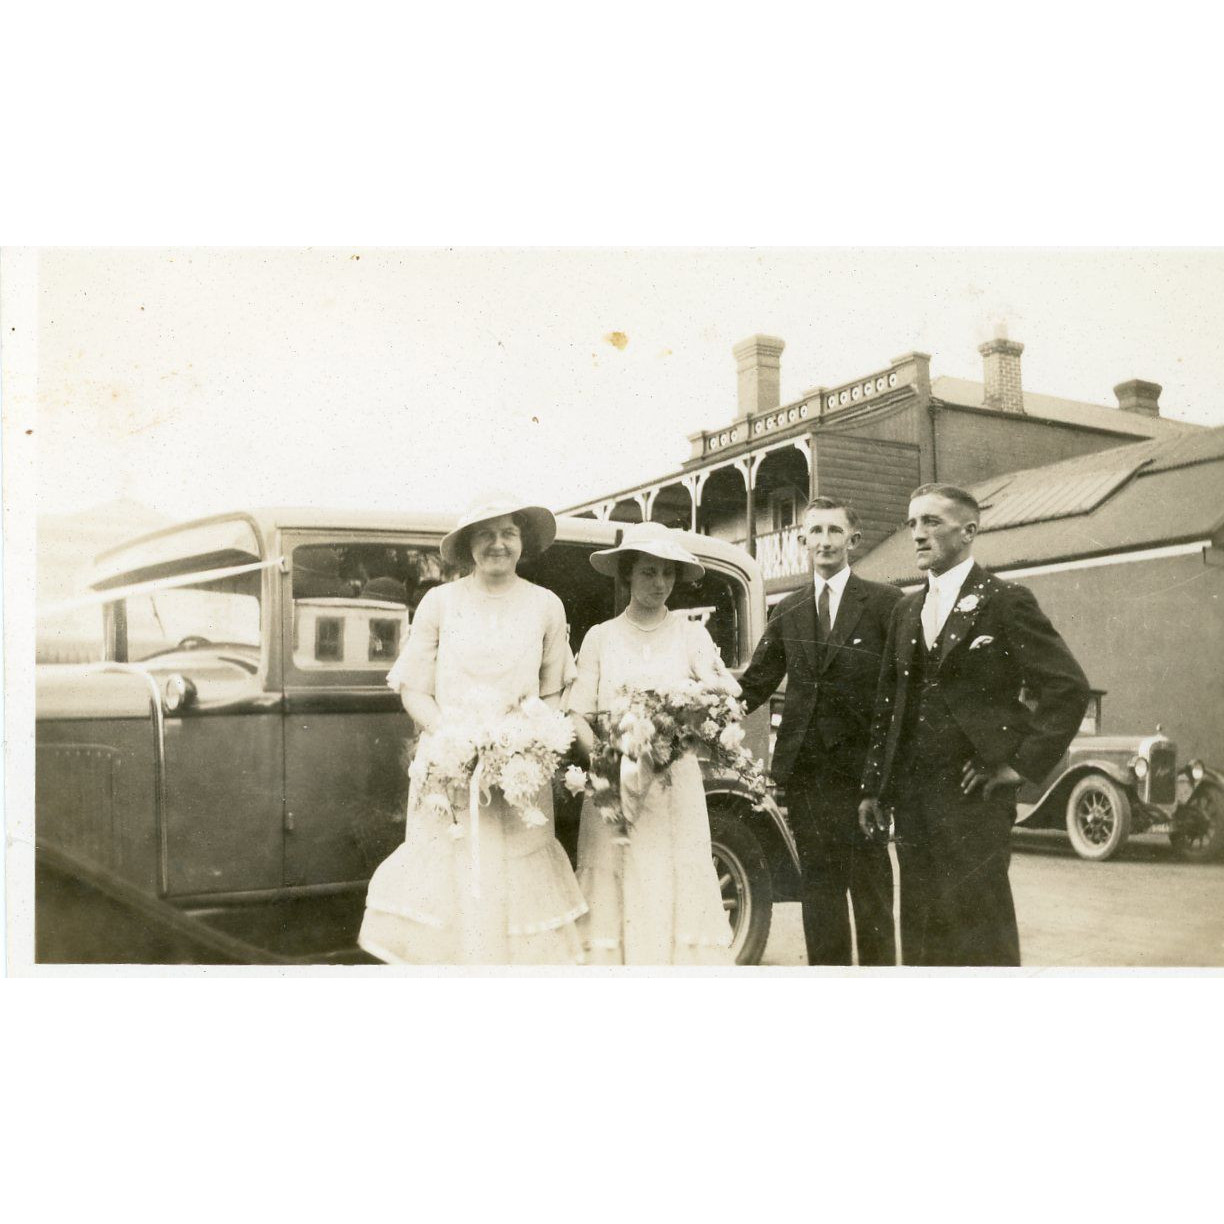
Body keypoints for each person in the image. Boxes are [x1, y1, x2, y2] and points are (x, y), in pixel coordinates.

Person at [858, 483, 1090, 967]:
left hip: (975, 798)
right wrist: (875, 788)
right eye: (913, 523)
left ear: (969, 531)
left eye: (931, 522)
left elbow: (1067, 687)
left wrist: (1019, 766)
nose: (917, 535)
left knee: (980, 928)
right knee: (920, 927)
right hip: (912, 798)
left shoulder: (1005, 601)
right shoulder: (905, 610)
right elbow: (889, 705)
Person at [358, 496, 588, 965]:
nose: (498, 544)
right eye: (485, 534)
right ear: (468, 545)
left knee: (514, 885)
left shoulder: (546, 605)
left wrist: (528, 743)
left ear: (522, 541)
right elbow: (415, 691)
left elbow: (551, 693)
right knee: (451, 878)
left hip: (519, 775)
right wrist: (455, 739)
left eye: (508, 533)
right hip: (449, 770)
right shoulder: (439, 602)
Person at [738, 497, 902, 966]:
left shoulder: (885, 604)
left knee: (871, 895)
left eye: (834, 531)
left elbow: (899, 689)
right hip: (807, 777)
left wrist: (883, 777)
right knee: (820, 896)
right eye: (815, 531)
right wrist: (695, 712)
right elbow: (755, 684)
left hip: (863, 780)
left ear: (854, 539)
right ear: (802, 540)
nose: (825, 541)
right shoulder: (788, 609)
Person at [565, 522, 735, 965]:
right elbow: (577, 713)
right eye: (647, 572)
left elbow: (722, 697)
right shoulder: (600, 637)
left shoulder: (692, 636)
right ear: (627, 575)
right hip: (613, 788)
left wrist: (691, 720)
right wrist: (604, 762)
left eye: (667, 573)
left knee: (670, 884)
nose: (659, 583)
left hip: (673, 791)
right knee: (614, 885)